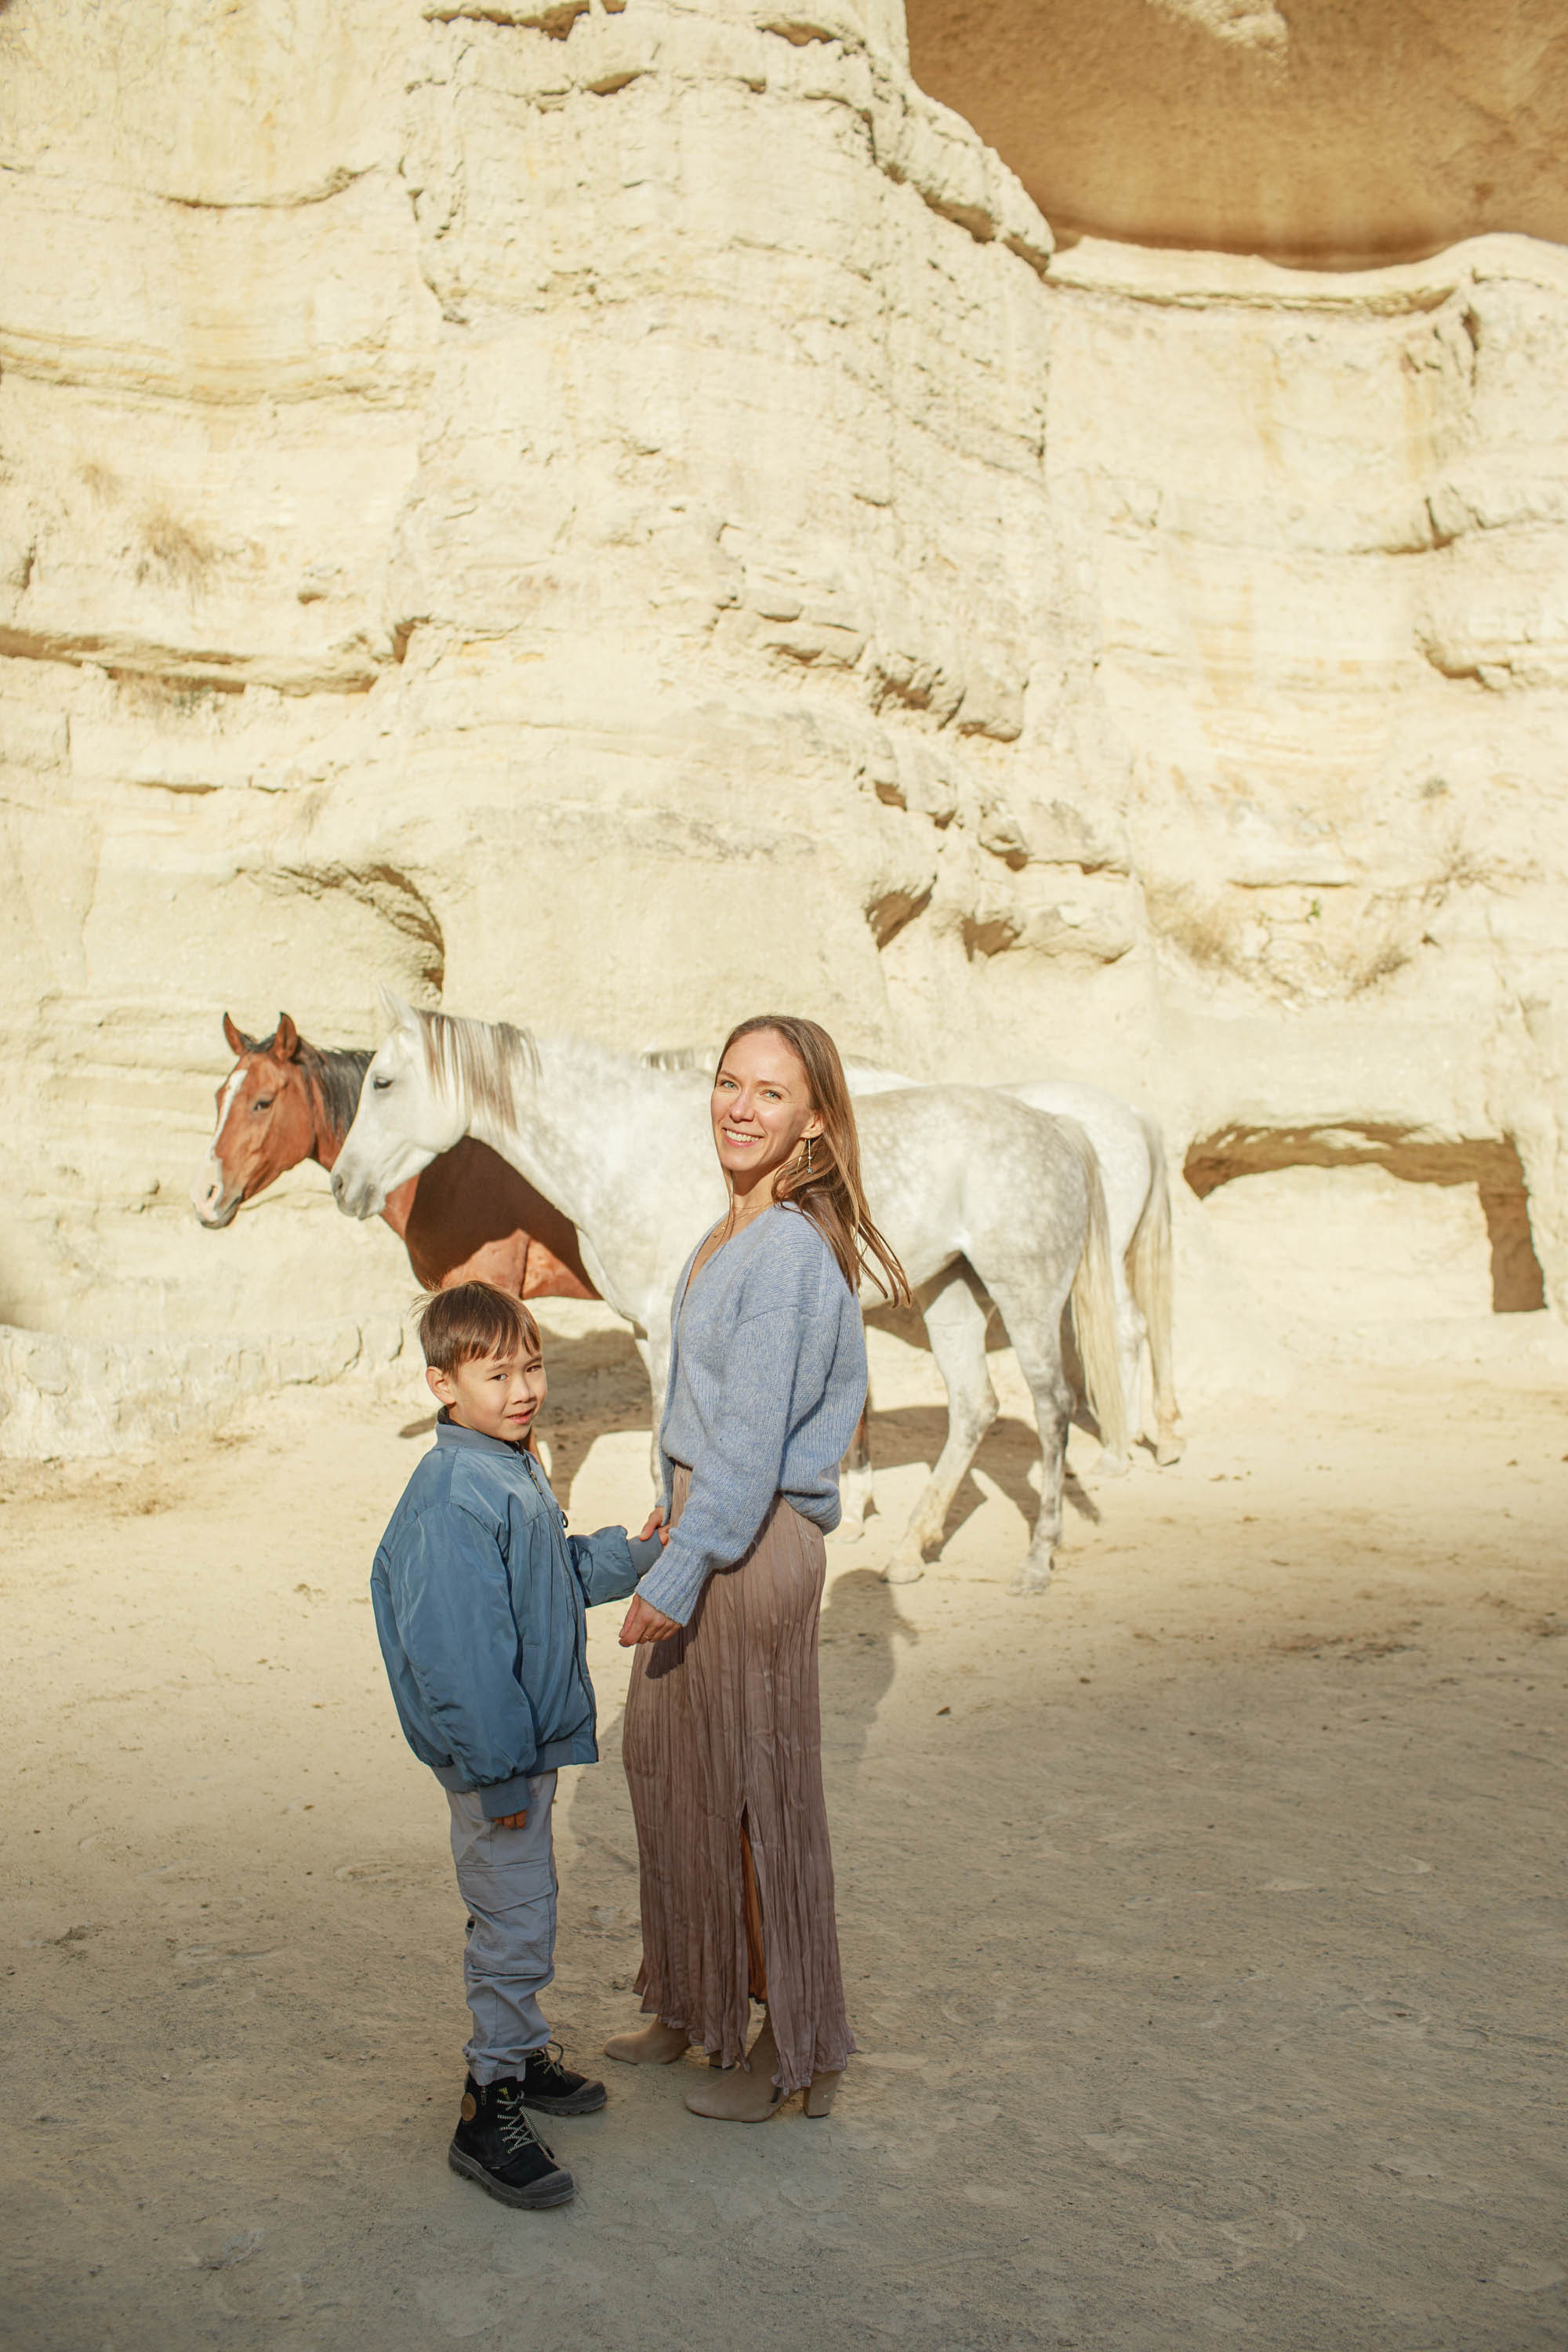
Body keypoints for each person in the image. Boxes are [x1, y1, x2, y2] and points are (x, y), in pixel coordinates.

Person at [607, 1014, 909, 2121]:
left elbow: (750, 1446)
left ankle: (792, 2050)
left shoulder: (782, 1250)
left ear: (814, 1120)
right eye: (728, 1083)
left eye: (770, 1094)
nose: (740, 1107)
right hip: (711, 1525)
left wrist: (681, 1566)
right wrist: (669, 1502)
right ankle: (692, 2004)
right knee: (668, 1774)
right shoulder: (731, 1231)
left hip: (753, 1546)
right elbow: (711, 1411)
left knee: (754, 1805)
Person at [372, 1280, 666, 2208]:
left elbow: (551, 1576)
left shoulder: (505, 1465)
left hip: (519, 1752)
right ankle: (485, 2104)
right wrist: (498, 1773)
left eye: (531, 1365)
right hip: (497, 1761)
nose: (522, 1388)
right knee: (514, 1924)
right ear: (440, 1385)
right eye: (495, 1373)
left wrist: (639, 1554)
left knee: (522, 1910)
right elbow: (460, 1658)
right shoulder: (456, 1494)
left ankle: (524, 2057)